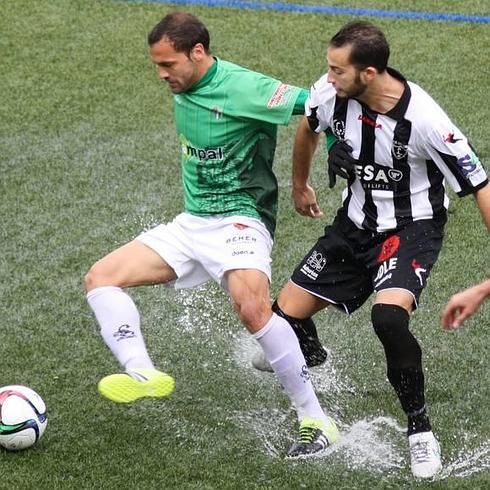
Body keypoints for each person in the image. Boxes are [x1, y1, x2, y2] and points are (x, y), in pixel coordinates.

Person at [84, 11, 340, 457]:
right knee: (100, 278)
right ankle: (142, 372)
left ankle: (314, 418)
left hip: (242, 217)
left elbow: (321, 107)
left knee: (253, 309)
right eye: (157, 66)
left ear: (197, 52)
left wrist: (330, 164)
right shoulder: (185, 83)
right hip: (193, 221)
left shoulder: (246, 88)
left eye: (168, 65)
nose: (162, 75)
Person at [253, 20, 489, 478]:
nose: (327, 78)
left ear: (368, 74)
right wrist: (301, 184)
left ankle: (419, 431)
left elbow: (480, 184)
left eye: (338, 70)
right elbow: (309, 127)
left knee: (388, 318)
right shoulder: (329, 93)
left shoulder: (426, 122)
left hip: (410, 228)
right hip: (353, 226)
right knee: (280, 320)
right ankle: (314, 356)